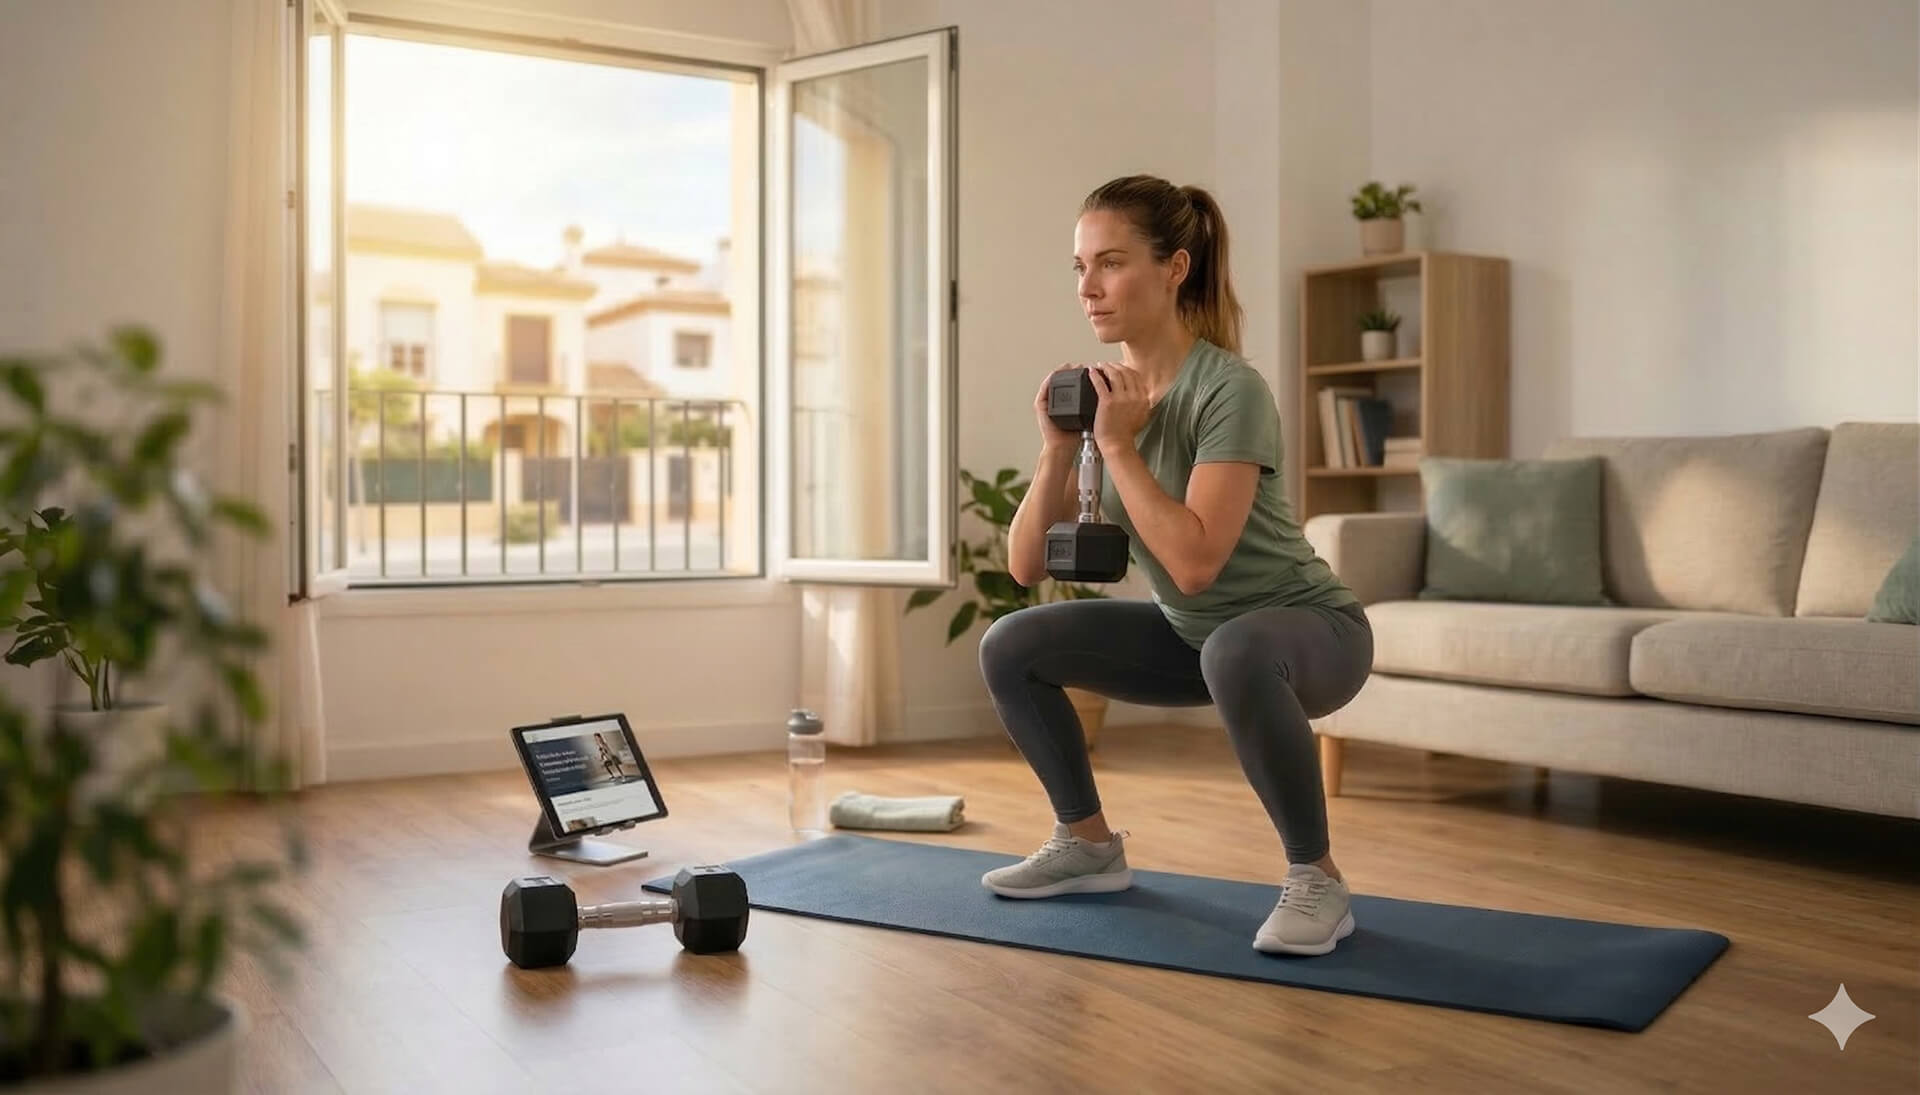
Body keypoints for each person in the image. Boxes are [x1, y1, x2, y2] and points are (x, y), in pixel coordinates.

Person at [977, 174, 1374, 956]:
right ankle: (1087, 844)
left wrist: (1117, 445)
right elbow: (1024, 565)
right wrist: (1059, 449)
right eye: (1081, 267)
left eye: (1111, 262)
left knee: (1235, 646)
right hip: (1199, 640)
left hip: (1312, 634)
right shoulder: (1105, 397)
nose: (1088, 287)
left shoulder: (1229, 390)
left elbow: (1195, 564)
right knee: (1012, 644)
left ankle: (1319, 880)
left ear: (1175, 268)